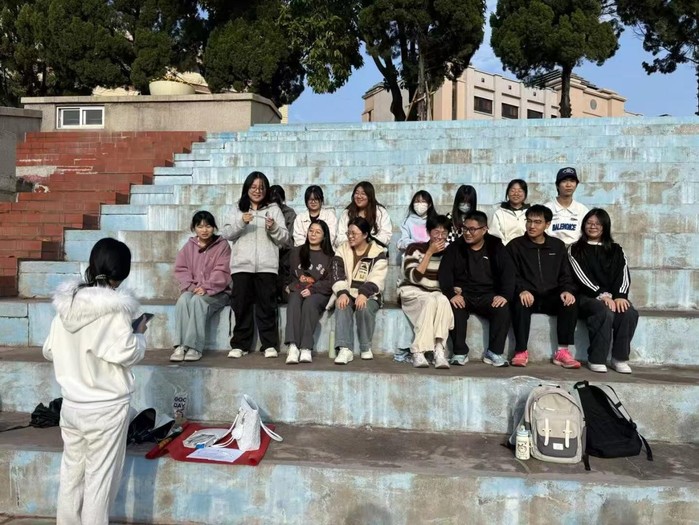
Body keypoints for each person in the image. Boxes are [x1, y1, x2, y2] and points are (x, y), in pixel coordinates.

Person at [42, 238, 147, 525]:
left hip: (72, 405)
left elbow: (49, 350)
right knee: (99, 482)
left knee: (72, 476)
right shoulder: (115, 310)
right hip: (106, 407)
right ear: (122, 272)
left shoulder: (66, 307)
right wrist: (139, 334)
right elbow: (126, 352)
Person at [222, 171, 289, 359]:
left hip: (267, 266)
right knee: (241, 306)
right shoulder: (238, 208)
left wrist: (273, 228)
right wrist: (241, 222)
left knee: (267, 306)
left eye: (261, 187)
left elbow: (285, 238)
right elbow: (227, 234)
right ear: (247, 188)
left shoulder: (273, 209)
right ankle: (240, 344)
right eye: (253, 187)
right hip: (242, 266)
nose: (257, 191)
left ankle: (269, 344)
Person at [507, 205, 580, 368]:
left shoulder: (557, 246)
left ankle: (562, 351)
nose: (532, 226)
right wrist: (521, 289)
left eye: (537, 222)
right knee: (520, 302)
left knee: (570, 302)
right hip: (528, 295)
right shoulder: (515, 246)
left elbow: (565, 274)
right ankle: (520, 351)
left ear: (547, 224)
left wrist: (567, 290)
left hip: (551, 295)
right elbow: (510, 274)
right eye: (529, 221)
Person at [438, 211, 515, 367]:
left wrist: (504, 295)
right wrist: (451, 294)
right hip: (464, 294)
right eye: (465, 228)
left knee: (502, 308)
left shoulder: (495, 246)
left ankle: (494, 352)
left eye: (472, 229)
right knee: (454, 306)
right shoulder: (455, 247)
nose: (467, 233)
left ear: (484, 229)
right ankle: (460, 352)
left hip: (489, 294)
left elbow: (508, 272)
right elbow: (444, 274)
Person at [569, 208, 638, 373]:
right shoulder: (575, 248)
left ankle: (619, 358)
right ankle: (596, 359)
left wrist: (620, 296)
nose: (593, 226)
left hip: (612, 296)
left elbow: (623, 273)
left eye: (598, 224)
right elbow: (581, 276)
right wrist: (601, 295)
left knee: (628, 311)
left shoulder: (616, 249)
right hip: (587, 296)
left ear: (605, 227)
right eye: (589, 223)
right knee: (604, 311)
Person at [171, 211, 232, 362]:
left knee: (197, 301)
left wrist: (206, 287)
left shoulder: (222, 246)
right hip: (194, 289)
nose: (204, 230)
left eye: (208, 226)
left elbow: (223, 271)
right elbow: (181, 269)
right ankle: (180, 346)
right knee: (184, 299)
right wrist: (191, 287)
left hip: (218, 292)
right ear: (194, 228)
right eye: (200, 226)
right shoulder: (189, 247)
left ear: (214, 227)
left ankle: (194, 347)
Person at [397, 214, 454, 369]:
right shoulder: (414, 248)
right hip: (412, 291)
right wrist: (429, 252)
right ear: (428, 232)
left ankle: (439, 350)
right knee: (430, 300)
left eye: (444, 233)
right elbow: (414, 277)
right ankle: (418, 351)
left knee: (442, 300)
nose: (440, 237)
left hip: (435, 293)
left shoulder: (450, 252)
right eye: (436, 232)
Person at [331, 217, 388, 365]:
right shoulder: (342, 249)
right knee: (341, 305)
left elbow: (377, 278)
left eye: (354, 233)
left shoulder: (378, 252)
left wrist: (364, 293)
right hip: (347, 291)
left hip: (369, 294)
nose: (350, 236)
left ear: (365, 235)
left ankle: (365, 347)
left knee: (364, 307)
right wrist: (342, 292)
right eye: (348, 233)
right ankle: (345, 349)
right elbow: (337, 274)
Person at [285, 220, 335, 364]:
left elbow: (330, 282)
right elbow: (287, 274)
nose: (313, 234)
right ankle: (293, 346)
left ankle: (306, 347)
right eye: (311, 231)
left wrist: (313, 289)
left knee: (310, 303)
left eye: (318, 232)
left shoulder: (330, 256)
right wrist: (286, 285)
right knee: (294, 298)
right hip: (298, 289)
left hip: (319, 293)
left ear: (324, 236)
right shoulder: (296, 252)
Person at [335, 181, 392, 250]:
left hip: (374, 250)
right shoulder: (347, 213)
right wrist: (355, 242)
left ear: (370, 196)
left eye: (363, 194)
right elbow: (340, 238)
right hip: (350, 250)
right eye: (357, 193)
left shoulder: (380, 212)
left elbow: (386, 236)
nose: (359, 196)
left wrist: (366, 243)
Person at [544, 167, 590, 246]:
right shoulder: (546, 208)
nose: (568, 185)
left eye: (572, 181)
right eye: (564, 181)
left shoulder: (582, 210)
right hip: (550, 250)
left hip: (577, 250)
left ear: (576, 185)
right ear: (557, 185)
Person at [269, 184, 297, 303]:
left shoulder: (289, 213)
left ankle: (284, 291)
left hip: (284, 250)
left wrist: (279, 246)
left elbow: (289, 237)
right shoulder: (265, 211)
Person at [490, 179, 530, 244]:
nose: (516, 193)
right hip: (505, 248)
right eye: (512, 190)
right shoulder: (499, 213)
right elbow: (494, 234)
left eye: (520, 191)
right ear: (508, 193)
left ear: (525, 194)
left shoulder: (531, 213)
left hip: (527, 248)